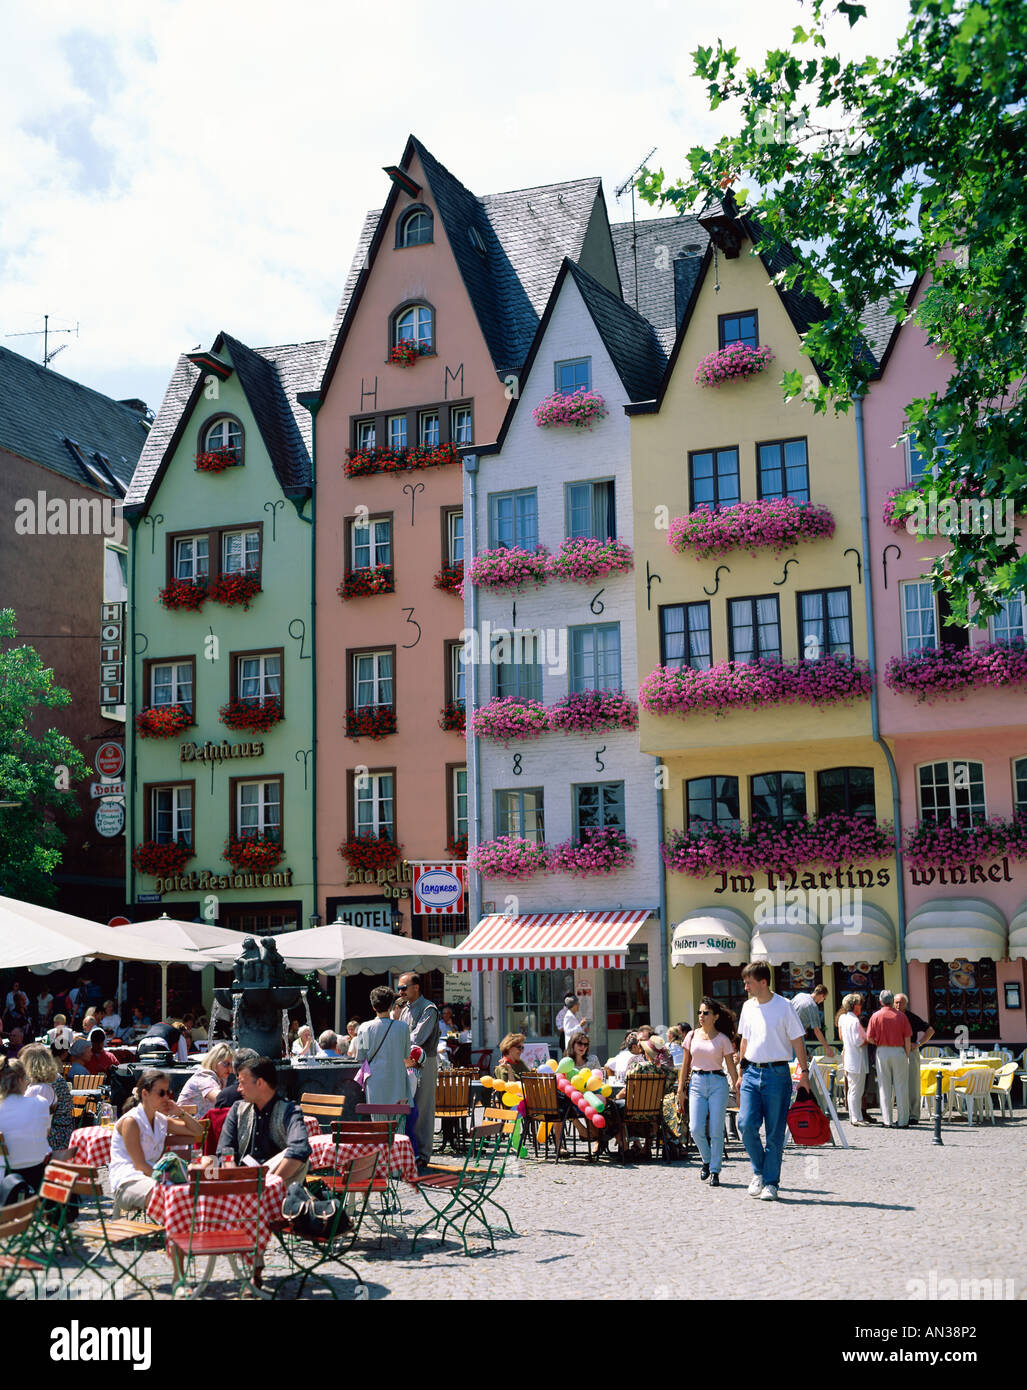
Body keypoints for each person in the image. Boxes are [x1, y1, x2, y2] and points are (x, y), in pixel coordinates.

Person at [736, 961, 811, 1201]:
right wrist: (740, 1071)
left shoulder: (785, 1006)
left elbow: (798, 1040)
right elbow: (744, 1041)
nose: (746, 987)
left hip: (777, 1074)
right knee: (745, 1124)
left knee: (775, 1132)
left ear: (763, 982)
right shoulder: (747, 1007)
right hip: (750, 1073)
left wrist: (805, 1073)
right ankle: (759, 1171)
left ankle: (770, 1182)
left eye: (749, 983)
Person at [108, 1069, 202, 1216]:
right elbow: (140, 1165)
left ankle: (181, 1235)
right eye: (161, 1093)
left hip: (153, 1180)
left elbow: (198, 1133)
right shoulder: (131, 1121)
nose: (166, 1098)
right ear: (145, 1094)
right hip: (127, 1182)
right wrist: (169, 1180)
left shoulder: (160, 1120)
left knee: (184, 1192)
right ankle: (176, 1236)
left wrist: (180, 1112)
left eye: (168, 1093)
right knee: (169, 1194)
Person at [675, 998, 739, 1186]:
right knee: (695, 1128)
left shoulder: (722, 1039)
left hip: (718, 1083)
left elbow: (731, 1068)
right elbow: (685, 1065)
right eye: (699, 1013)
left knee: (716, 1129)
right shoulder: (692, 1036)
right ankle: (707, 1159)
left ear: (715, 1016)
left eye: (705, 1013)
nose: (701, 1016)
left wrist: (738, 1089)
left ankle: (715, 1171)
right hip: (696, 1082)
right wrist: (680, 1090)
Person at [216, 1056, 311, 1182]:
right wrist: (235, 1181)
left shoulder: (289, 1111)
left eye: (242, 1083)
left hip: (277, 1184)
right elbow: (225, 1150)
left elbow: (299, 1149)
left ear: (260, 1083)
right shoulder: (238, 1109)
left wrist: (270, 1185)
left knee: (294, 1155)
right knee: (206, 1163)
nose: (239, 1089)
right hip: (243, 1179)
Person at [397, 973, 439, 1170]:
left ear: (416, 987)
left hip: (425, 1062)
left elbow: (417, 1037)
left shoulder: (429, 1009)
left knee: (423, 1107)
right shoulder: (405, 1009)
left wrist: (397, 1041)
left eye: (404, 988)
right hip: (407, 1061)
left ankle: (423, 1153)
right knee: (409, 1108)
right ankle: (411, 1151)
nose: (400, 992)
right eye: (399, 988)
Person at [359, 986, 412, 1119]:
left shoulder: (364, 1028)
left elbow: (361, 1057)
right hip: (398, 1081)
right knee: (399, 1128)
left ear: (373, 1007)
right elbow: (406, 1055)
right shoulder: (403, 1027)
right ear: (391, 1006)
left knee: (378, 1127)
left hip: (375, 1082)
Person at [0, 1057, 52, 1191]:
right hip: (38, 1176)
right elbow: (45, 1133)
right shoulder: (41, 1102)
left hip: (5, 1179)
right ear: (19, 1080)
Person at [865, 989, 912, 1127]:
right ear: (892, 1001)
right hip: (899, 1051)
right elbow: (907, 1038)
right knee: (901, 1086)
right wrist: (907, 1054)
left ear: (880, 1001)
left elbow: (869, 1037)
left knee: (884, 1087)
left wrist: (879, 1043)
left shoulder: (875, 1016)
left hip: (882, 1051)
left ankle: (887, 1120)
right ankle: (903, 1120)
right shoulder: (901, 1016)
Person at [20, 1042, 74, 1153]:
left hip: (55, 1137)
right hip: (59, 1133)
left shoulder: (43, 1086)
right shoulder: (51, 1079)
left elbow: (32, 1118)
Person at [894, 993, 934, 1126]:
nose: (898, 1005)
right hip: (897, 1051)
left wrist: (919, 1043)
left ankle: (914, 1115)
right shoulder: (892, 1016)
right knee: (898, 1085)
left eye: (901, 1002)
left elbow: (929, 1030)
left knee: (913, 1084)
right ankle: (902, 1114)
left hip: (911, 1052)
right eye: (896, 1002)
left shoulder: (911, 1017)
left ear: (906, 1003)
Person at [837, 993, 871, 1127]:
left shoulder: (843, 1018)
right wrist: (868, 1040)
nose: (861, 1006)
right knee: (857, 1089)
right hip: (857, 1058)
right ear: (854, 1006)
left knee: (852, 1089)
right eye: (859, 1004)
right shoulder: (854, 1021)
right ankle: (856, 1118)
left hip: (849, 1057)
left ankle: (854, 1116)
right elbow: (858, 1041)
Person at [176, 1043, 234, 1117]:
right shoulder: (205, 1077)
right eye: (226, 1064)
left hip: (195, 1123)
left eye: (231, 1065)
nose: (230, 1069)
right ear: (214, 1061)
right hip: (181, 1124)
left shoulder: (221, 1079)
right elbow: (220, 1099)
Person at [790, 983, 835, 1058]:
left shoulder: (800, 995)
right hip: (796, 1036)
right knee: (799, 1063)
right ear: (821, 996)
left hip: (784, 1032)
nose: (823, 1001)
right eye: (824, 999)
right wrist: (827, 1048)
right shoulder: (813, 1006)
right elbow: (817, 1031)